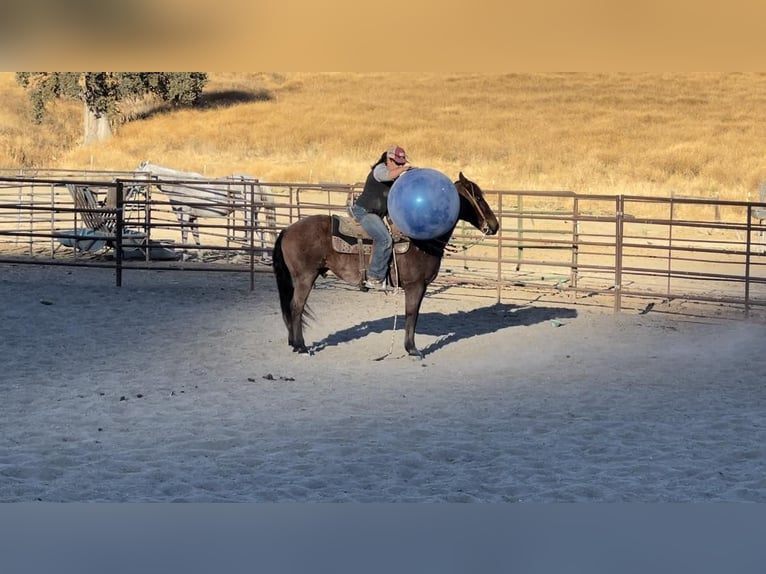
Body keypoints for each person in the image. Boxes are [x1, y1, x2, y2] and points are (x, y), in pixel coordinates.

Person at [349, 145, 411, 290]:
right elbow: (389, 176)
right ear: (388, 159)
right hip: (364, 211)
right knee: (384, 240)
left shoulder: (394, 176)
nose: (400, 165)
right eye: (397, 162)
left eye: (401, 163)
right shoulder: (380, 170)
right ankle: (374, 277)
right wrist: (405, 169)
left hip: (376, 213)